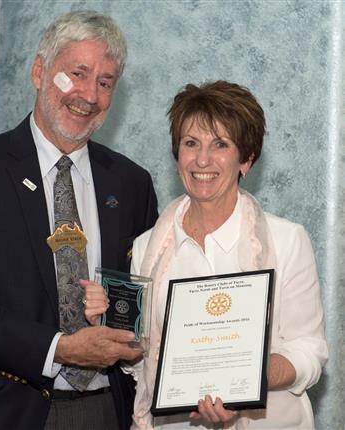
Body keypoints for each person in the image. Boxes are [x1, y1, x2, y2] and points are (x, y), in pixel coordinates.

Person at [0, 10, 158, 430]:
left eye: (105, 83)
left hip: (105, 411)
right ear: (38, 72)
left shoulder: (131, 183)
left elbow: (141, 303)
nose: (89, 95)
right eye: (77, 74)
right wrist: (58, 348)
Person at [84, 81, 328, 429]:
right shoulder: (146, 247)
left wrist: (247, 382)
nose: (202, 160)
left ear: (247, 159)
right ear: (177, 155)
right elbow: (142, 363)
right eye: (191, 143)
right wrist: (113, 328)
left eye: (220, 144)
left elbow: (309, 351)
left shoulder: (288, 241)